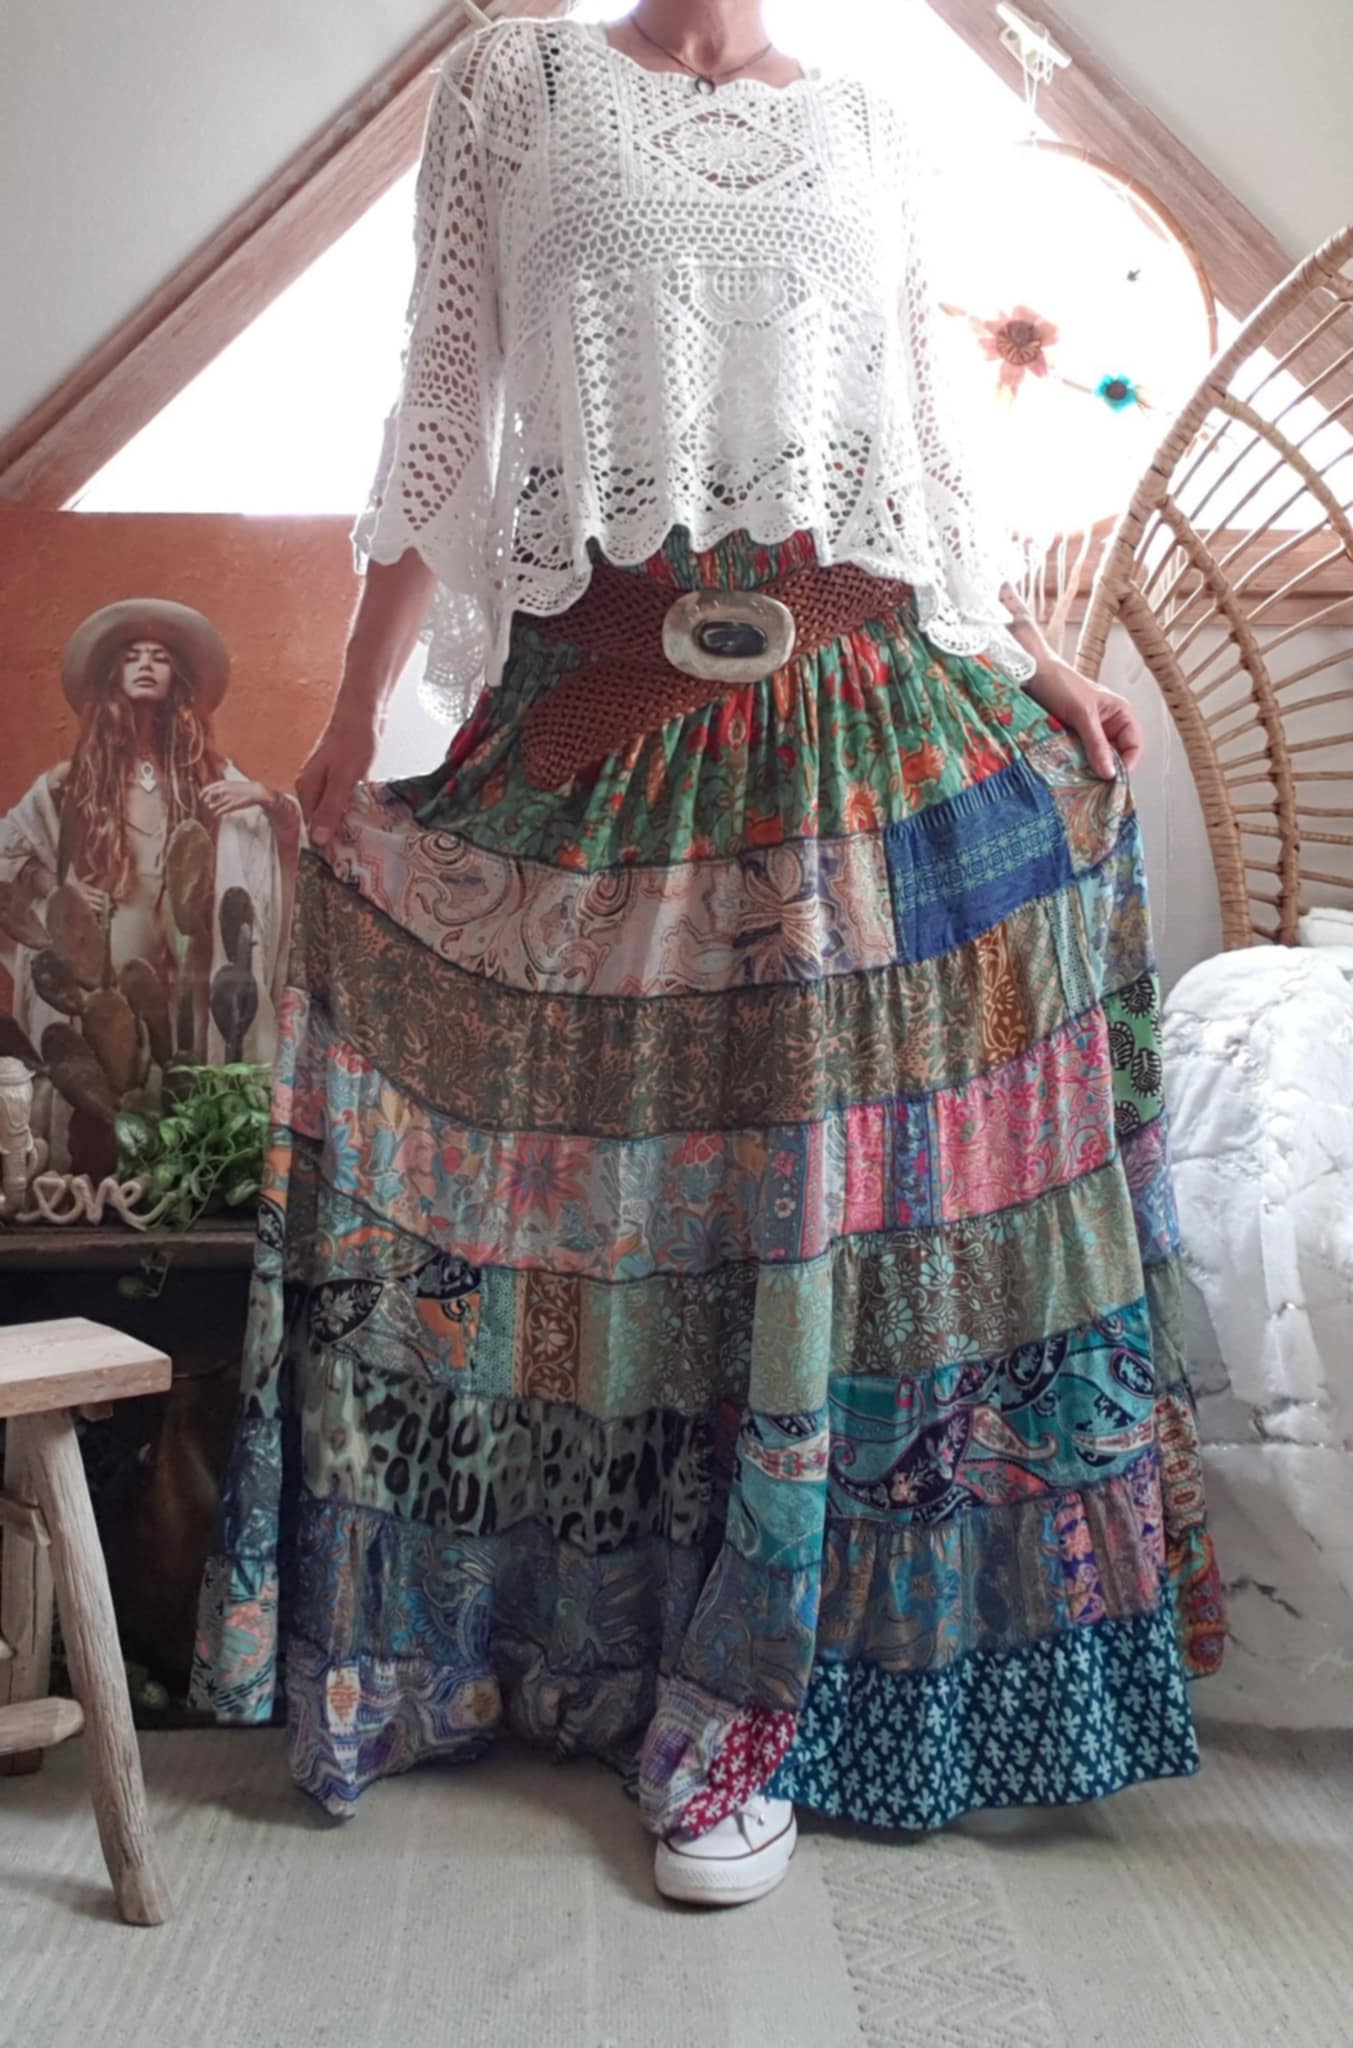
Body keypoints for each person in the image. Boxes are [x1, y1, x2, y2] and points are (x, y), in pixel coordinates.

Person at [193, 2, 1224, 1909]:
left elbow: (918, 455)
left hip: (856, 713)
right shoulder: (516, 80)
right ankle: (575, 1649)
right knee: (617, 1213)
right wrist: (344, 723)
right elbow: (441, 410)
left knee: (832, 1214)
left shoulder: (869, 120)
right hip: (604, 711)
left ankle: (780, 1695)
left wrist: (1037, 662)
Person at [0, 600, 298, 1162]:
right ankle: (107, 1166)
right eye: (132, 656)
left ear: (177, 679)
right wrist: (58, 892)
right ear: (111, 675)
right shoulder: (73, 779)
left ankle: (179, 1166)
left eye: (159, 658)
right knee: (113, 1043)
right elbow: (9, 851)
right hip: (109, 933)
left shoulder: (206, 773)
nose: (144, 665)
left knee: (181, 1045)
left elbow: (273, 840)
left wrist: (267, 798)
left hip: (187, 944)